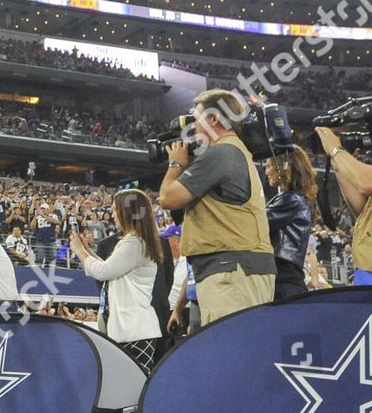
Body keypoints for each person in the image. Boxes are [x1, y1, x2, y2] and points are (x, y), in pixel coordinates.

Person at [157, 90, 276, 321]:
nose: (193, 126)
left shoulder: (221, 152)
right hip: (237, 268)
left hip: (232, 270)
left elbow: (167, 198)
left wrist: (175, 163)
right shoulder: (234, 150)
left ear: (213, 119)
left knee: (233, 348)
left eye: (197, 117)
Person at [68, 189, 162, 371]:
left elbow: (103, 272)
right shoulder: (135, 241)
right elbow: (112, 269)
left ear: (128, 212)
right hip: (131, 329)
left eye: (114, 209)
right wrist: (87, 250)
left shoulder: (134, 243)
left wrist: (79, 251)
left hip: (134, 331)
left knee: (134, 386)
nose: (112, 214)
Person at [313, 125, 372, 286]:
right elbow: (362, 210)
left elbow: (364, 183)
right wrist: (339, 161)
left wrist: (336, 150)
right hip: (369, 267)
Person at [265, 147, 317, 300]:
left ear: (283, 167)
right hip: (284, 281)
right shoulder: (293, 199)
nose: (266, 172)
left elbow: (255, 224)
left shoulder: (292, 200)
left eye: (269, 166)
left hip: (284, 282)